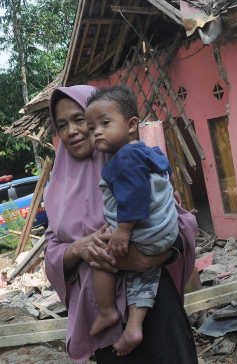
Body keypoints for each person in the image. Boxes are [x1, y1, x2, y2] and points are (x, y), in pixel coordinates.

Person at [43, 85, 198, 363]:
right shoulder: (56, 189)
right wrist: (77, 249)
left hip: (153, 311)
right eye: (62, 125)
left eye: (80, 120)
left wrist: (145, 259)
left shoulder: (134, 164)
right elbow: (52, 251)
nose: (73, 131)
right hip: (101, 320)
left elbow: (178, 225)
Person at [85, 86, 180, 356]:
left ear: (132, 125)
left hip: (144, 232)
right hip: (164, 235)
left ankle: (106, 311)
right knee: (144, 275)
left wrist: (122, 231)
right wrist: (170, 192)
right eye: (92, 128)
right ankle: (134, 326)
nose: (97, 132)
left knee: (100, 255)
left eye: (104, 123)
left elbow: (136, 194)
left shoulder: (124, 156)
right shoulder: (148, 151)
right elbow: (165, 170)